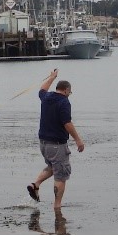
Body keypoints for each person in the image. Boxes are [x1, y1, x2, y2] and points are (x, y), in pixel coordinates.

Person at [27, 68, 84, 209]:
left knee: (53, 167)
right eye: (69, 92)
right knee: (61, 175)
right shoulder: (64, 102)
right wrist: (78, 140)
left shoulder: (46, 97)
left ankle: (35, 185)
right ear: (65, 90)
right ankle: (57, 206)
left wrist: (52, 77)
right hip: (57, 145)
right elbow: (67, 123)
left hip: (43, 143)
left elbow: (42, 89)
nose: (69, 95)